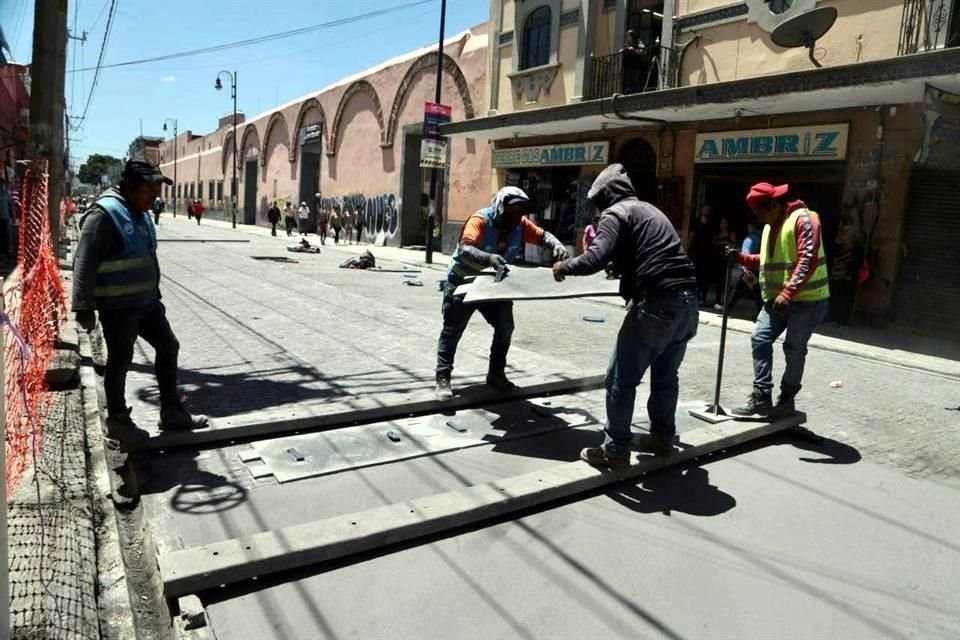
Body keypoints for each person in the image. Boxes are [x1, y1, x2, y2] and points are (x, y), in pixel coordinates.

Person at [553, 164, 698, 467]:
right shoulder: (649, 211)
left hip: (657, 304)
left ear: (606, 196)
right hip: (687, 304)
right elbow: (652, 253)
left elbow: (595, 256)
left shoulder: (615, 214)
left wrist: (564, 267)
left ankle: (615, 449)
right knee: (665, 377)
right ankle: (662, 438)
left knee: (620, 378)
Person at [72, 160, 208, 452]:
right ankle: (119, 423)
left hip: (147, 304)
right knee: (120, 361)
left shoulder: (142, 212)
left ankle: (172, 412)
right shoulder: (104, 215)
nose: (154, 197)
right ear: (128, 187)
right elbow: (84, 261)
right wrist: (83, 306)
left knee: (168, 347)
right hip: (119, 308)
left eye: (157, 191)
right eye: (148, 190)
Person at [435, 186, 569, 399]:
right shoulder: (480, 220)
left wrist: (557, 245)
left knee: (505, 327)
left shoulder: (520, 225)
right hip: (464, 282)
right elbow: (465, 248)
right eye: (512, 210)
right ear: (500, 206)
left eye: (520, 211)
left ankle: (496, 374)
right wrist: (488, 258)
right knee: (452, 330)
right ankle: (443, 378)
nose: (516, 215)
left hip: (493, 284)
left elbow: (543, 236)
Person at [729, 182, 830, 419]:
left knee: (794, 349)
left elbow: (808, 259)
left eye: (761, 212)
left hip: (807, 301)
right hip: (776, 300)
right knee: (760, 338)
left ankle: (787, 399)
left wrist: (788, 293)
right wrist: (741, 258)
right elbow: (768, 259)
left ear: (774, 204)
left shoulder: (804, 219)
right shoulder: (770, 227)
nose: (760, 219)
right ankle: (762, 396)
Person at [727, 219, 764, 320]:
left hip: (749, 269)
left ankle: (726, 309)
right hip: (757, 268)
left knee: (738, 290)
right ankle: (760, 314)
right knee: (757, 292)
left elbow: (745, 253)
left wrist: (744, 268)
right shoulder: (762, 237)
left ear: (751, 226)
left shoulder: (750, 238)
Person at [827, 225, 864, 325]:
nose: (843, 236)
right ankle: (832, 317)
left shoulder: (857, 250)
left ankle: (842, 320)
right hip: (835, 275)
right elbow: (830, 257)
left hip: (848, 277)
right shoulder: (838, 248)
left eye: (845, 234)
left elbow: (857, 263)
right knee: (833, 296)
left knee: (844, 298)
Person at [688, 204, 717, 306]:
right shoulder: (696, 221)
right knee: (694, 275)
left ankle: (703, 298)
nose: (706, 211)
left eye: (708, 210)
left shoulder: (712, 223)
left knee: (705, 277)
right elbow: (692, 236)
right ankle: (695, 297)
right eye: (705, 209)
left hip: (707, 254)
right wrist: (688, 249)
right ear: (701, 210)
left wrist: (713, 251)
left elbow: (713, 239)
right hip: (696, 252)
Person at [711, 216, 738, 310]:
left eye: (725, 223)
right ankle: (717, 300)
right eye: (721, 223)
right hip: (718, 259)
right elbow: (713, 244)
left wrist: (726, 242)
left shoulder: (731, 234)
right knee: (718, 281)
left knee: (726, 282)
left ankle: (725, 301)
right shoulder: (717, 234)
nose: (723, 225)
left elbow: (734, 245)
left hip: (727, 260)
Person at [620, 29, 646, 94]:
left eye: (628, 36)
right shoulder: (627, 43)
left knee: (634, 79)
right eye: (626, 36)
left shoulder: (638, 42)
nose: (627, 37)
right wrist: (623, 50)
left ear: (632, 36)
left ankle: (634, 90)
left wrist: (634, 50)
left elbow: (643, 51)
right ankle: (627, 89)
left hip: (635, 64)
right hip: (627, 64)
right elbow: (626, 50)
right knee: (627, 78)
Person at [0, 178, 13, 259]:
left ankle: (7, 251)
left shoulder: (6, 194)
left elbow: (10, 205)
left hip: (5, 217)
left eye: (2, 184)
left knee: (7, 235)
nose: (1, 185)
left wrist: (13, 216)